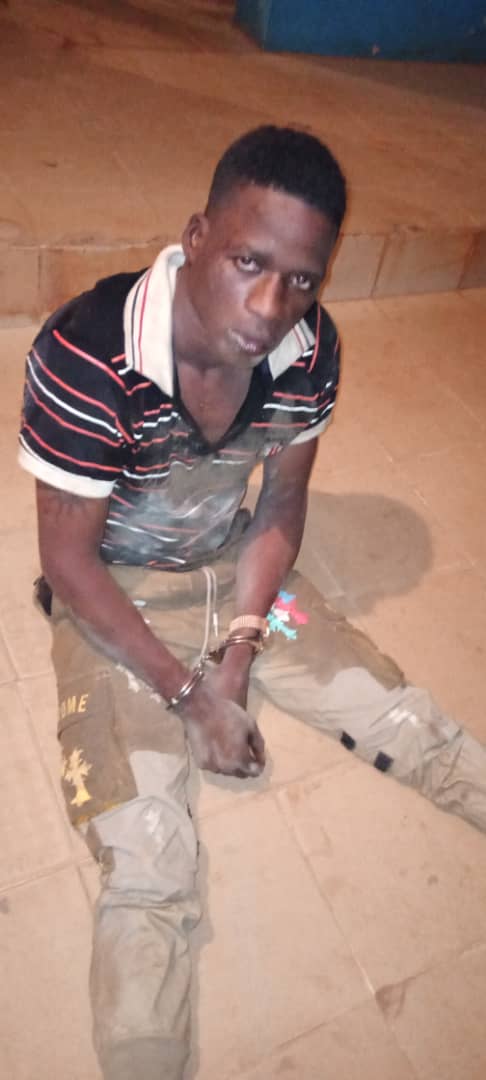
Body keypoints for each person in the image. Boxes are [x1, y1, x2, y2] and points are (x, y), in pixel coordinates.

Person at [18, 125, 486, 1080]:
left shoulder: (310, 350)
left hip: (234, 565)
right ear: (197, 235)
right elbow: (66, 561)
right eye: (248, 263)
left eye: (302, 280)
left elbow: (279, 503)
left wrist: (237, 654)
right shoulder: (87, 355)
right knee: (149, 861)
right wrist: (189, 698)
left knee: (401, 718)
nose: (272, 309)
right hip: (114, 594)